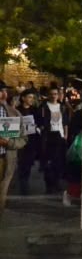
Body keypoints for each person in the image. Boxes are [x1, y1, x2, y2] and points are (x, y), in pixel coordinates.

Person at [0, 85, 29, 215]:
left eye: (3, 91)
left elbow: (23, 139)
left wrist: (9, 142)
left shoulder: (14, 113)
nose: (3, 94)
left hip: (6, 158)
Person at [38, 87, 72, 195]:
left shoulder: (61, 107)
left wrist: (65, 134)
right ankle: (49, 185)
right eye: (52, 94)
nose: (54, 96)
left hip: (60, 135)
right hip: (48, 136)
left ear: (58, 95)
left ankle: (56, 183)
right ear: (48, 95)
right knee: (48, 162)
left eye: (56, 94)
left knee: (59, 162)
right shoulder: (43, 107)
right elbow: (39, 121)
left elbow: (65, 122)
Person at [15, 89, 41, 195]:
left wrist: (37, 127)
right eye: (29, 97)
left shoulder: (35, 110)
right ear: (23, 98)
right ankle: (23, 185)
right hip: (20, 140)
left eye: (32, 97)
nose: (31, 99)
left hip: (31, 140)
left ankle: (24, 181)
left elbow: (40, 122)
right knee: (22, 163)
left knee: (28, 163)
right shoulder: (17, 110)